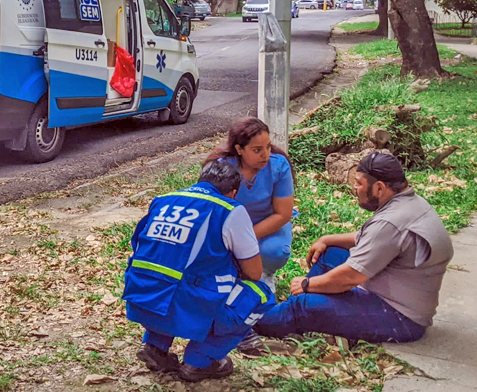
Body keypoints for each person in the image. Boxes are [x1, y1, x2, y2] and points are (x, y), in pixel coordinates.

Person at [255, 153, 454, 343]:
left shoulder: (390, 223)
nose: (354, 187)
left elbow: (350, 277)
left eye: (359, 182)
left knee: (302, 307)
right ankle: (298, 308)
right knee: (330, 252)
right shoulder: (411, 204)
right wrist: (327, 238)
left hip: (399, 317)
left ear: (379, 188)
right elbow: (367, 239)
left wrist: (308, 284)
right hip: (392, 290)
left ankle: (252, 321)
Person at [123, 161, 275, 382]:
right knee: (260, 292)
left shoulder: (162, 200)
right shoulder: (229, 209)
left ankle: (154, 344)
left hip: (141, 297)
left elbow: (140, 246)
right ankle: (200, 361)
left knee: (172, 276)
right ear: (232, 192)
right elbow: (254, 272)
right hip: (185, 303)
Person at [204, 117, 296, 290]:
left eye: (268, 147)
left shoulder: (278, 167)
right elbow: (211, 209)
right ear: (239, 149)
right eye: (257, 150)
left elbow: (283, 214)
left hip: (268, 225)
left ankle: (265, 273)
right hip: (230, 227)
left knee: (275, 251)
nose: (265, 155)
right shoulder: (220, 167)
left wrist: (245, 239)